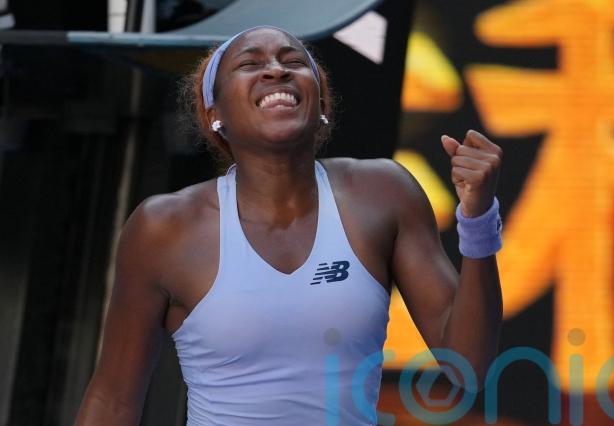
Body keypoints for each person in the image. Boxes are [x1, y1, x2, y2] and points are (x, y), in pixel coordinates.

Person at [75, 25, 503, 425]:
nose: (276, 70)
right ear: (214, 113)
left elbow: (467, 367)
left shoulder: (384, 192)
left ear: (322, 104)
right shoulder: (163, 227)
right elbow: (113, 399)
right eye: (249, 64)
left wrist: (478, 220)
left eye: (293, 61)